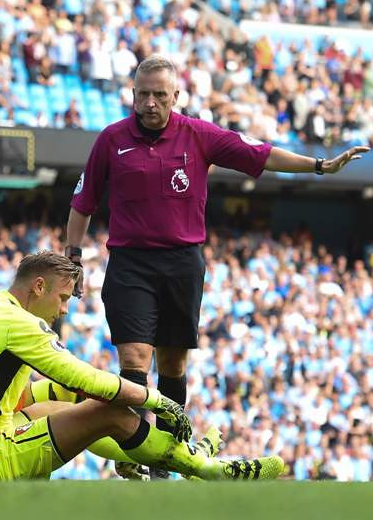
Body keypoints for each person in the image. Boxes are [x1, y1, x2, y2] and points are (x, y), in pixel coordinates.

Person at [63, 54, 369, 478]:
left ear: (176, 97)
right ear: (132, 95)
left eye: (159, 95)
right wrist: (72, 257)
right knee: (134, 358)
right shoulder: (111, 140)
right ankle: (132, 449)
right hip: (130, 263)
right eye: (143, 94)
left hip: (183, 264)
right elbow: (83, 202)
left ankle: (167, 458)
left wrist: (318, 165)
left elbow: (259, 154)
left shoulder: (198, 135)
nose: (150, 103)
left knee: (173, 366)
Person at [0, 251, 285, 481]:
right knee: (108, 412)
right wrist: (156, 399)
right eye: (62, 299)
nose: (63, 310)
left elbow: (12, 396)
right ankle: (204, 468)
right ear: (39, 286)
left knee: (62, 399)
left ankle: (140, 458)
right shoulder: (21, 325)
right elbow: (83, 377)